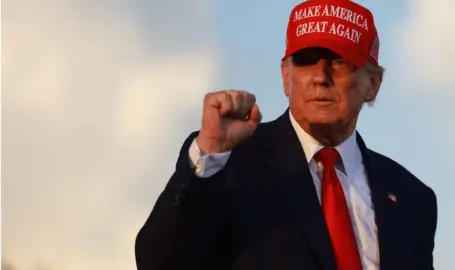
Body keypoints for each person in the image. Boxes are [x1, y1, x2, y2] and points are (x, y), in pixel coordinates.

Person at [135, 0, 438, 269]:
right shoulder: (227, 163)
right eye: (306, 61)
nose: (321, 77)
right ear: (286, 77)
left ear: (373, 83)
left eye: (339, 61)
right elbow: (159, 263)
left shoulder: (413, 199)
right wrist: (210, 151)